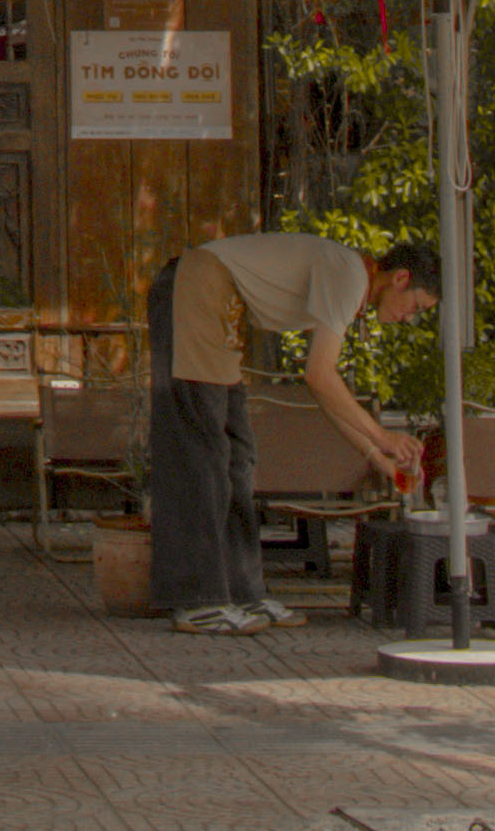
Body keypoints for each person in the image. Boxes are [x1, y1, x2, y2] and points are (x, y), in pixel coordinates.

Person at [145, 226, 426, 634]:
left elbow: (326, 395)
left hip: (220, 303)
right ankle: (198, 600)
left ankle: (243, 592)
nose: (409, 317)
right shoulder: (350, 273)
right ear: (400, 278)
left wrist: (377, 456)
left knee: (238, 457)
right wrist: (384, 437)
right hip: (197, 287)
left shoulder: (348, 281)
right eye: (416, 306)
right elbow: (320, 376)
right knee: (203, 452)